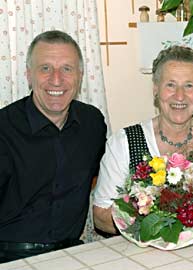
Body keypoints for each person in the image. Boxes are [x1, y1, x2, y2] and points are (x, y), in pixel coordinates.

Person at [93, 45, 193, 235]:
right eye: (170, 84)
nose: (179, 95)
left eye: (189, 85)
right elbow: (101, 217)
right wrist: (156, 229)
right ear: (155, 89)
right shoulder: (124, 143)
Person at [0, 30, 107, 263]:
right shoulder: (3, 128)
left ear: (80, 75)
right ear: (29, 74)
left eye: (67, 69)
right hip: (11, 255)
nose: (56, 79)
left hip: (73, 253)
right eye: (45, 68)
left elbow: (103, 177)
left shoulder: (92, 123)